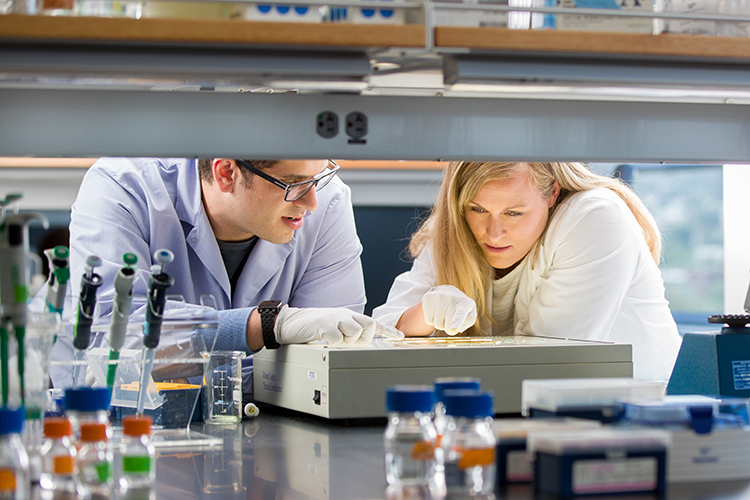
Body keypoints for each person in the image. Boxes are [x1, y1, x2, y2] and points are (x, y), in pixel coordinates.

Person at [50, 157, 401, 388]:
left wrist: (181, 353)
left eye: (319, 177)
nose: (310, 201)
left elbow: (324, 368)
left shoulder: (328, 202)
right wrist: (265, 327)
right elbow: (112, 350)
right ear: (226, 172)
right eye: (292, 183)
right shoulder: (123, 187)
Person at [373, 161, 682, 381]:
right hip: (533, 416)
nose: (493, 233)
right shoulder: (455, 230)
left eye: (514, 213)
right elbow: (377, 334)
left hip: (645, 417)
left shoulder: (595, 216)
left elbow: (545, 368)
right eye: (478, 209)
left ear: (552, 194)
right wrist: (424, 314)